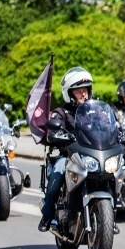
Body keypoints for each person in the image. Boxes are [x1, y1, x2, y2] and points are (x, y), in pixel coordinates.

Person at [38, 67, 94, 232]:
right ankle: (47, 215)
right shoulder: (61, 113)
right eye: (78, 91)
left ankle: (109, 214)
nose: (83, 94)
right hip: (70, 156)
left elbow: (109, 126)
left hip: (93, 157)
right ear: (69, 93)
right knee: (59, 170)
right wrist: (54, 135)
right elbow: (52, 131)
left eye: (85, 90)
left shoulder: (95, 111)